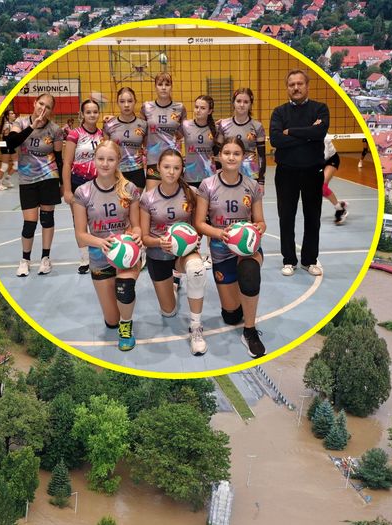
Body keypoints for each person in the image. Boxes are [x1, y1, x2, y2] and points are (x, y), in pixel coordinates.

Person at [194, 136, 268, 358]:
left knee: (249, 272)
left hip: (247, 248)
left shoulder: (252, 185)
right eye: (227, 153)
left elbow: (261, 221)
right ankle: (239, 304)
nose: (231, 157)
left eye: (236, 153)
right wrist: (220, 233)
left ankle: (250, 331)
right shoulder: (207, 185)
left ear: (244, 157)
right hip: (221, 249)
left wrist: (258, 228)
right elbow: (199, 223)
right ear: (218, 156)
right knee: (231, 315)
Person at [72, 139, 143, 351]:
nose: (105, 163)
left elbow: (137, 226)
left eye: (110, 159)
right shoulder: (83, 192)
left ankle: (126, 327)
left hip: (126, 255)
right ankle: (117, 321)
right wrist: (101, 242)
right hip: (100, 258)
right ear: (94, 160)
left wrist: (136, 235)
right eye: (101, 159)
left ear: (118, 161)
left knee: (124, 288)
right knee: (110, 320)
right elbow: (80, 236)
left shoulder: (129, 188)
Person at [139, 148, 209, 355]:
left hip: (183, 254)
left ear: (182, 170)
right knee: (168, 312)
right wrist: (160, 243)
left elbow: (199, 226)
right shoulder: (148, 198)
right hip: (158, 254)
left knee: (197, 269)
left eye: (176, 168)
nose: (171, 172)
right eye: (167, 167)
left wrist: (193, 240)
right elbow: (144, 238)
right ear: (158, 168)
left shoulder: (192, 194)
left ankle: (196, 327)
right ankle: (173, 285)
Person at [270, 68, 329, 277]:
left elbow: (319, 132)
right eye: (291, 84)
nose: (295, 87)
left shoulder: (320, 109)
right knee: (286, 217)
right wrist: (307, 134)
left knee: (313, 217)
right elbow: (276, 140)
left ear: (307, 86)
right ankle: (289, 260)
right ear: (287, 88)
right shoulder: (279, 112)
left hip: (313, 171)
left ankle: (309, 260)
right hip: (286, 173)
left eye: (299, 84)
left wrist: (291, 132)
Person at [3, 95, 64, 276]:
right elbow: (11, 142)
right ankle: (25, 260)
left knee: (47, 220)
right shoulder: (20, 123)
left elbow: (59, 159)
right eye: (41, 104)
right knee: (29, 223)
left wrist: (62, 184)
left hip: (49, 177)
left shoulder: (55, 130)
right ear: (34, 104)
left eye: (48, 107)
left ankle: (45, 258)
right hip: (27, 180)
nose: (43, 109)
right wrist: (33, 126)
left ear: (51, 110)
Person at [64, 99, 105, 274]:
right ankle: (84, 258)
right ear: (82, 114)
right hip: (78, 182)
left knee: (98, 220)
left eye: (95, 111)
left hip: (98, 183)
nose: (92, 115)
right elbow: (67, 163)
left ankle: (99, 256)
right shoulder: (75, 134)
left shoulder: (102, 134)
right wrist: (66, 190)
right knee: (79, 222)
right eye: (88, 112)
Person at [218, 88, 267, 194]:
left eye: (246, 102)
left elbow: (262, 156)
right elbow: (218, 152)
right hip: (228, 173)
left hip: (250, 173)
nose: (242, 105)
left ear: (250, 104)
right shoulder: (223, 125)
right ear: (233, 103)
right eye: (238, 101)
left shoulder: (257, 126)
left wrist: (261, 181)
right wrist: (217, 174)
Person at [143, 72, 186, 190]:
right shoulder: (146, 107)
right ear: (155, 86)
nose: (163, 87)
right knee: (151, 200)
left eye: (167, 84)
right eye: (160, 84)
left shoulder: (180, 108)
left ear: (171, 86)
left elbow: (184, 132)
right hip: (154, 159)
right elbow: (138, 128)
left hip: (173, 159)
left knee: (175, 199)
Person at [103, 87, 148, 189]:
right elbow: (105, 152)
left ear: (135, 102)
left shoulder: (143, 124)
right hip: (116, 172)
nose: (126, 105)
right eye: (122, 101)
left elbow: (147, 149)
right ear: (117, 103)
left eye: (130, 101)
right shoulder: (109, 125)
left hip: (137, 172)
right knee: (119, 205)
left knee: (134, 205)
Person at [180, 95, 220, 188]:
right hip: (191, 176)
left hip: (209, 176)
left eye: (202, 108)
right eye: (196, 107)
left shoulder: (216, 129)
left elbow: (216, 152)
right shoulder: (185, 125)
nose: (198, 110)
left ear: (210, 111)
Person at [322, 135, 348, 224]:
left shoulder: (323, 135)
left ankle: (340, 210)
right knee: (317, 189)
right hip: (317, 160)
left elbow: (325, 156)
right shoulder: (302, 131)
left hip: (330, 159)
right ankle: (340, 205)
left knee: (322, 186)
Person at [0, 110, 18, 191]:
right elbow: (7, 136)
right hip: (6, 146)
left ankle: (6, 180)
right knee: (4, 166)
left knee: (16, 165)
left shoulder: (12, 124)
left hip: (11, 146)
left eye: (13, 113)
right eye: (12, 113)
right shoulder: (7, 125)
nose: (14, 114)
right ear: (7, 116)